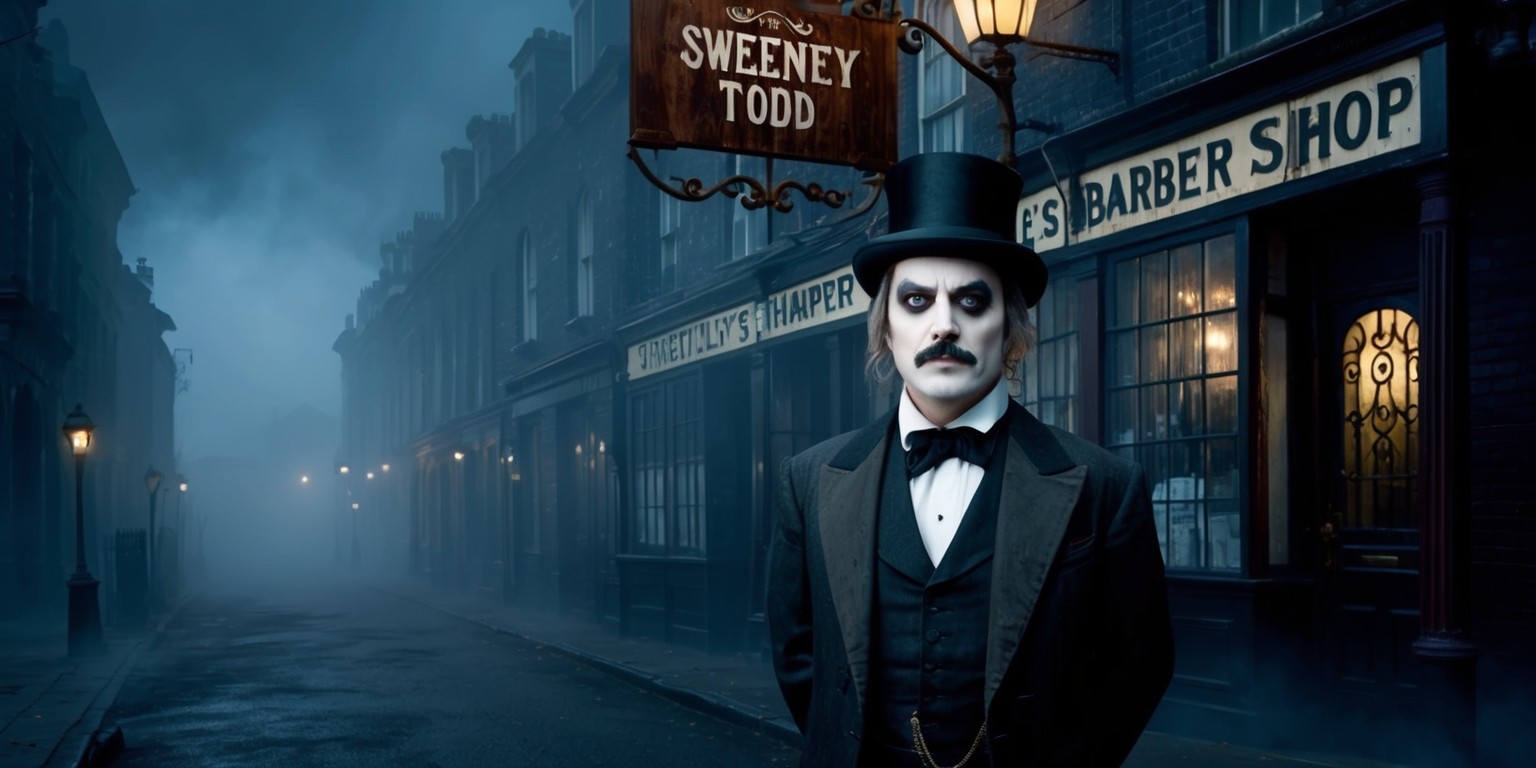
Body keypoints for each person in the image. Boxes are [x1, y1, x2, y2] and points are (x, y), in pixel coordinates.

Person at [767, 152, 1174, 768]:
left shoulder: (1104, 487)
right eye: (916, 301)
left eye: (971, 301)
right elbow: (803, 666)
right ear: (886, 330)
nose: (943, 325)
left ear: (1009, 326)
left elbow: (1138, 667)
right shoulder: (809, 481)